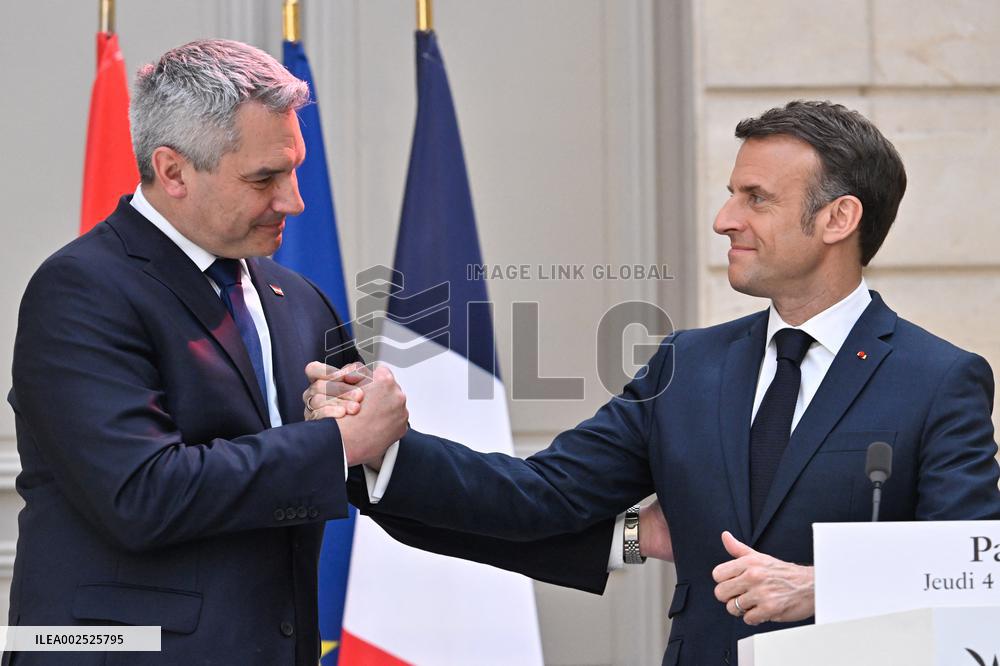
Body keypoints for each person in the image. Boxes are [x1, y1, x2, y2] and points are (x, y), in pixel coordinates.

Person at [309, 101, 1000, 665]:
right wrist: (382, 447)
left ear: (837, 219)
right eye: (731, 195)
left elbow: (974, 569)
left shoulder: (938, 380)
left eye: (755, 198)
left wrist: (823, 587)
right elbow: (540, 497)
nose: (724, 219)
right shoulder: (687, 365)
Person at [5, 39, 412, 666]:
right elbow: (143, 494)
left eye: (295, 169)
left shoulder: (297, 299)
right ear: (172, 172)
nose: (293, 201)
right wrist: (334, 442)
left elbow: (378, 468)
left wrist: (616, 534)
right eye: (264, 178)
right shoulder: (81, 290)